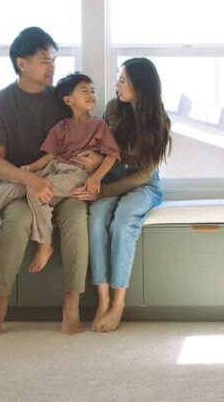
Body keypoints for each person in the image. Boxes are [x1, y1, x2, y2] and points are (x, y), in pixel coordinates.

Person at [0, 27, 95, 337]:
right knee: (16, 220)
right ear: (22, 63)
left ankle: (71, 303)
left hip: (58, 182)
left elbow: (86, 137)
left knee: (75, 217)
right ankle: (0, 303)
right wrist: (30, 180)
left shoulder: (60, 101)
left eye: (53, 60)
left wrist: (93, 163)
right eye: (44, 61)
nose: (52, 67)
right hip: (13, 183)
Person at [0, 72, 120, 275]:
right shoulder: (61, 127)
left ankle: (45, 242)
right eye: (84, 91)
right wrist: (31, 169)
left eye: (93, 91)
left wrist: (96, 177)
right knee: (19, 184)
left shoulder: (100, 126)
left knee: (37, 191)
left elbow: (112, 155)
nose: (91, 94)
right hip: (55, 168)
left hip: (78, 174)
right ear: (68, 100)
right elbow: (50, 155)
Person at [72, 57, 171, 333]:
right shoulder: (114, 108)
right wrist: (94, 167)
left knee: (124, 222)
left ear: (140, 86)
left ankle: (118, 304)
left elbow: (143, 175)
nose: (117, 84)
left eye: (123, 80)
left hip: (143, 185)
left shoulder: (160, 122)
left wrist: (103, 190)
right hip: (111, 177)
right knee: (96, 219)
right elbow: (102, 148)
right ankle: (103, 301)